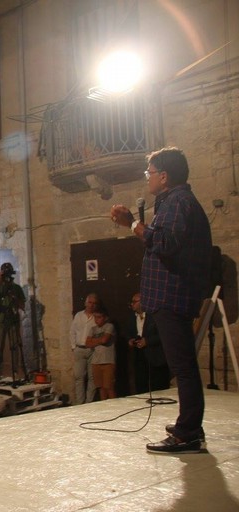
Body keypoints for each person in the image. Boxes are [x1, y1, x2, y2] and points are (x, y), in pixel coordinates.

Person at [111, 146, 212, 454]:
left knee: (183, 367)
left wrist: (131, 222)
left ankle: (188, 433)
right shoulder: (171, 202)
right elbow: (162, 242)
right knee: (181, 365)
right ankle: (190, 425)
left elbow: (165, 244)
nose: (148, 178)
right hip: (168, 296)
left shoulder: (179, 202)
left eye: (150, 173)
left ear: (164, 176)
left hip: (173, 296)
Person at [124, 292, 170, 394]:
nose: (132, 304)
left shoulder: (154, 316)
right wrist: (130, 340)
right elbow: (128, 333)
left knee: (158, 387)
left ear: (143, 302)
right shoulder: (132, 317)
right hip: (139, 356)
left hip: (155, 356)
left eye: (134, 302)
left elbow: (163, 334)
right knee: (141, 385)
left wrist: (147, 341)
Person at [0, 262, 26, 380]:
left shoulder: (16, 288)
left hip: (13, 320)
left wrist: (14, 299)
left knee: (14, 346)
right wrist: (0, 278)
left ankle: (15, 372)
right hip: (0, 320)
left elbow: (22, 306)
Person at [70, 293, 99, 404]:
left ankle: (89, 403)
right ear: (86, 303)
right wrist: (73, 347)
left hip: (92, 350)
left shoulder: (96, 317)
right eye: (90, 302)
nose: (92, 305)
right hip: (79, 349)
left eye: (94, 303)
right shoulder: (78, 315)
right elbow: (72, 331)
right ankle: (79, 403)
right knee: (79, 377)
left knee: (92, 378)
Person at [84, 304, 116, 401]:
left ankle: (114, 406)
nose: (97, 320)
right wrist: (98, 340)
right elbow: (87, 343)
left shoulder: (109, 326)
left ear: (105, 317)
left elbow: (104, 340)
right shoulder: (93, 329)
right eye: (95, 317)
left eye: (99, 317)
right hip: (96, 361)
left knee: (109, 387)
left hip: (108, 361)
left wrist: (94, 340)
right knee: (100, 387)